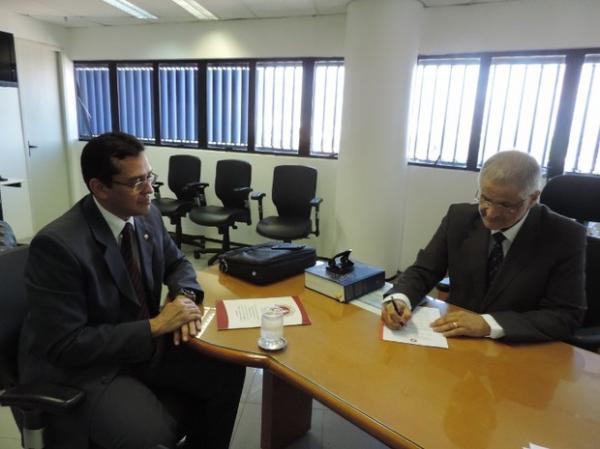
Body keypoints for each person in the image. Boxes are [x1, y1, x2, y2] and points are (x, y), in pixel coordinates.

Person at [18, 132, 245, 449]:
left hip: (141, 344)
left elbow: (177, 263)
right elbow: (66, 345)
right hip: (88, 367)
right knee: (148, 436)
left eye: (149, 176)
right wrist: (156, 325)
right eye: (137, 182)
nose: (150, 190)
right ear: (99, 188)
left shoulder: (146, 214)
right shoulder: (58, 246)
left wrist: (184, 296)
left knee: (227, 372)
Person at [382, 150, 586, 343]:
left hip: (517, 348)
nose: (491, 213)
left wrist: (488, 324)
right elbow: (424, 271)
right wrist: (400, 299)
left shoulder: (565, 235)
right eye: (485, 198)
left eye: (506, 205)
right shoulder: (459, 218)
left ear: (532, 198)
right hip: (455, 342)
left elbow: (565, 315)